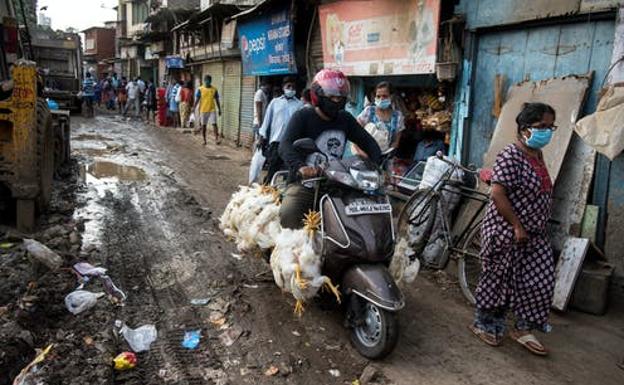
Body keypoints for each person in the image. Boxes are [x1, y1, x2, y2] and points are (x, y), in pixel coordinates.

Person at [470, 102, 557, 356]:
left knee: (539, 281)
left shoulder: (537, 155)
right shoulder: (511, 155)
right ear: (524, 128)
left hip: (535, 234)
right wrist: (517, 226)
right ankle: (484, 324)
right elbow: (497, 193)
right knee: (498, 280)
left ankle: (522, 328)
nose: (547, 131)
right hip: (507, 231)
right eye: (542, 126)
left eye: (551, 127)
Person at [278, 69, 381, 229]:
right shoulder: (303, 116)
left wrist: (377, 167)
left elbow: (369, 144)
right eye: (331, 97)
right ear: (318, 96)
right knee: (289, 214)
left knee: (361, 221)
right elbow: (285, 145)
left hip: (337, 184)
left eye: (340, 97)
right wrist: (301, 167)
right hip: (306, 184)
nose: (336, 101)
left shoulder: (345, 119)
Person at [258, 76, 303, 184]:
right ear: (283, 87)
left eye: (293, 87)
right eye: (288, 86)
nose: (291, 89)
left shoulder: (299, 105)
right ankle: (265, 188)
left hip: (291, 144)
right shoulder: (275, 102)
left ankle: (285, 194)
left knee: (290, 171)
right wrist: (261, 137)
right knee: (272, 169)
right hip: (276, 142)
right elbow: (267, 121)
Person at [355, 81, 405, 153]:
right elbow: (355, 133)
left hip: (386, 157)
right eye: (378, 96)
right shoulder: (368, 111)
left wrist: (386, 156)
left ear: (391, 96)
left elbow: (395, 142)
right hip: (365, 155)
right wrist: (361, 153)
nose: (381, 99)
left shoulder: (398, 117)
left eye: (385, 96)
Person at [194, 75, 222, 145]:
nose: (207, 82)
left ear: (210, 81)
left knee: (214, 124)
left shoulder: (214, 89)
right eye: (206, 80)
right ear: (204, 81)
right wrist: (194, 107)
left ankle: (216, 139)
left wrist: (219, 109)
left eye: (209, 81)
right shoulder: (200, 89)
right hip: (203, 110)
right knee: (204, 125)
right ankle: (204, 140)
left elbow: (217, 100)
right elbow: (197, 100)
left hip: (212, 109)